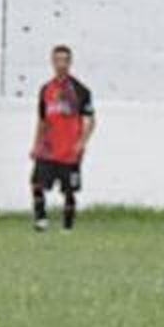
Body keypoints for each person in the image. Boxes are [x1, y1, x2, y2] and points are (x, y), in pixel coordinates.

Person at [30, 45, 95, 233]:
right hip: (48, 147)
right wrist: (36, 144)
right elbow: (42, 120)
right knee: (37, 183)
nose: (61, 64)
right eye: (57, 60)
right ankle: (41, 219)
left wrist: (81, 143)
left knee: (69, 190)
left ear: (70, 62)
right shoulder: (45, 90)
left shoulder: (80, 90)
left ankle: (67, 227)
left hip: (69, 150)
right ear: (52, 62)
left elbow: (90, 120)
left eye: (65, 60)